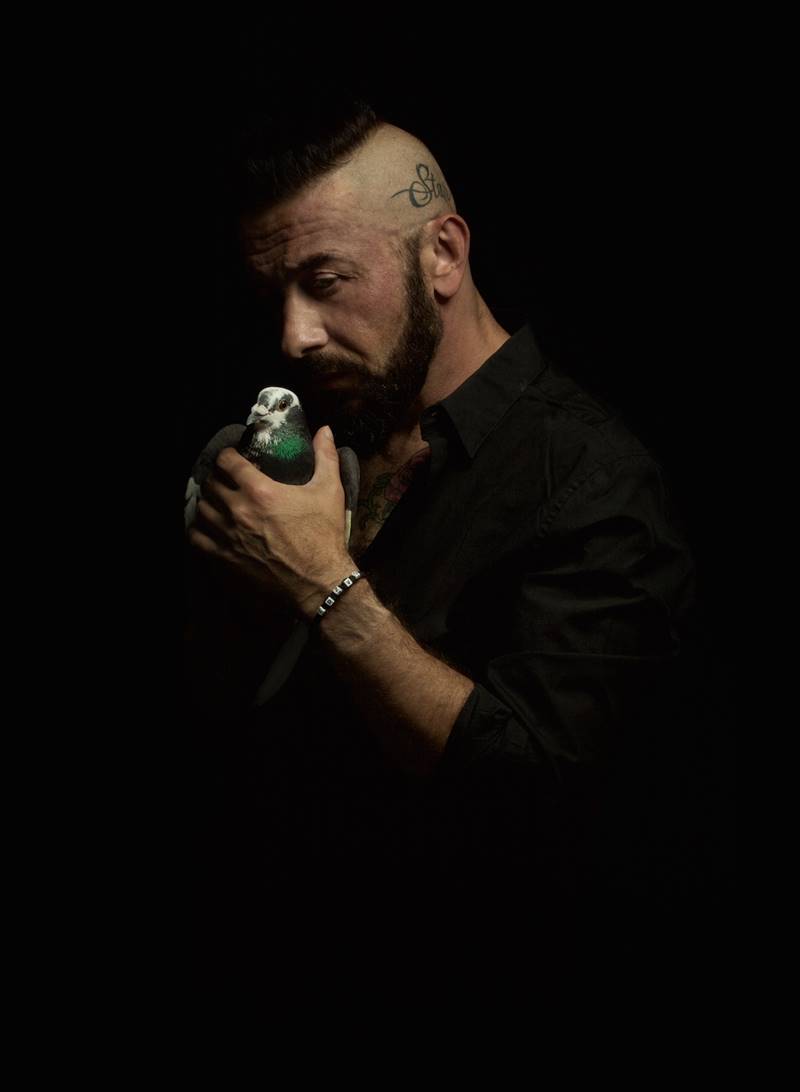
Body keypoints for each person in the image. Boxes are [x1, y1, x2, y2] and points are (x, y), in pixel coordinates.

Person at [185, 98, 700, 1009]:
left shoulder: (595, 481)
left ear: (444, 255)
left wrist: (322, 583)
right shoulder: (331, 428)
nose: (294, 335)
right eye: (274, 296)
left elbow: (539, 802)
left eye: (326, 281)